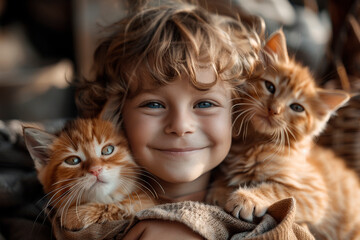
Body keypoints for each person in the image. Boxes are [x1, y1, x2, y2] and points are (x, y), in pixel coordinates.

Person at [73, 2, 258, 239]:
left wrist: (188, 223)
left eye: (204, 104)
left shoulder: (267, 200)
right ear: (115, 116)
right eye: (153, 104)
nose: (180, 126)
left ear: (238, 114)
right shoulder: (79, 211)